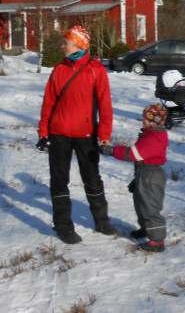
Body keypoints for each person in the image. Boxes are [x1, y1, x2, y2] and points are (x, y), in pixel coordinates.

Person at [37, 25, 116, 244]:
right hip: (58, 134)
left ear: (79, 44)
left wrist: (104, 133)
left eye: (67, 41)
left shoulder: (95, 70)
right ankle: (63, 226)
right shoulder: (58, 70)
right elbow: (48, 103)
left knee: (92, 179)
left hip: (86, 135)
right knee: (59, 180)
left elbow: (105, 105)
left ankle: (102, 221)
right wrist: (43, 131)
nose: (63, 45)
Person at [100, 104, 169, 252]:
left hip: (151, 175)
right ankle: (146, 229)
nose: (143, 121)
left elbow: (134, 154)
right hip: (144, 173)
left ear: (154, 121)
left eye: (145, 119)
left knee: (150, 207)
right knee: (141, 204)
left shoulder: (155, 137)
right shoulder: (150, 133)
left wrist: (112, 151)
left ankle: (157, 241)